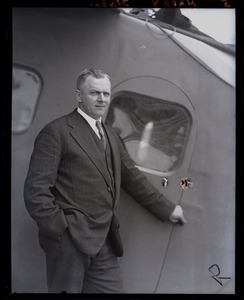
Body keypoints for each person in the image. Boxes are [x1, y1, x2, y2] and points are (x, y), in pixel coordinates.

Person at [24, 68, 186, 294]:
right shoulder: (56, 132)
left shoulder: (111, 135)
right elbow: (36, 192)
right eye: (94, 93)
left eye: (106, 94)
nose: (102, 99)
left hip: (104, 241)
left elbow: (133, 178)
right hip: (69, 242)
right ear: (79, 96)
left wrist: (168, 209)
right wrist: (62, 232)